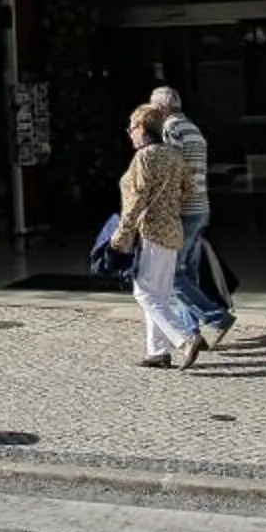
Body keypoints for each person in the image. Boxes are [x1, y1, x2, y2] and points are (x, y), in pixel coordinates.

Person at [118, 103, 201, 369]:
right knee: (161, 294)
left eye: (131, 128)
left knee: (144, 293)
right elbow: (189, 189)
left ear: (142, 128)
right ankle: (157, 352)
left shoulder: (145, 157)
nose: (130, 134)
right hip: (173, 230)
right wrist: (168, 204)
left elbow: (138, 198)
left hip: (151, 231)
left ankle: (186, 338)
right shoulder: (174, 155)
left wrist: (123, 232)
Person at [152, 84, 235, 348]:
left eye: (154, 107)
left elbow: (171, 168)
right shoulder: (194, 129)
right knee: (189, 272)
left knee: (173, 275)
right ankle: (191, 332)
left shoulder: (171, 129)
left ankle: (217, 318)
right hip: (201, 207)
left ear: (162, 107)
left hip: (184, 209)